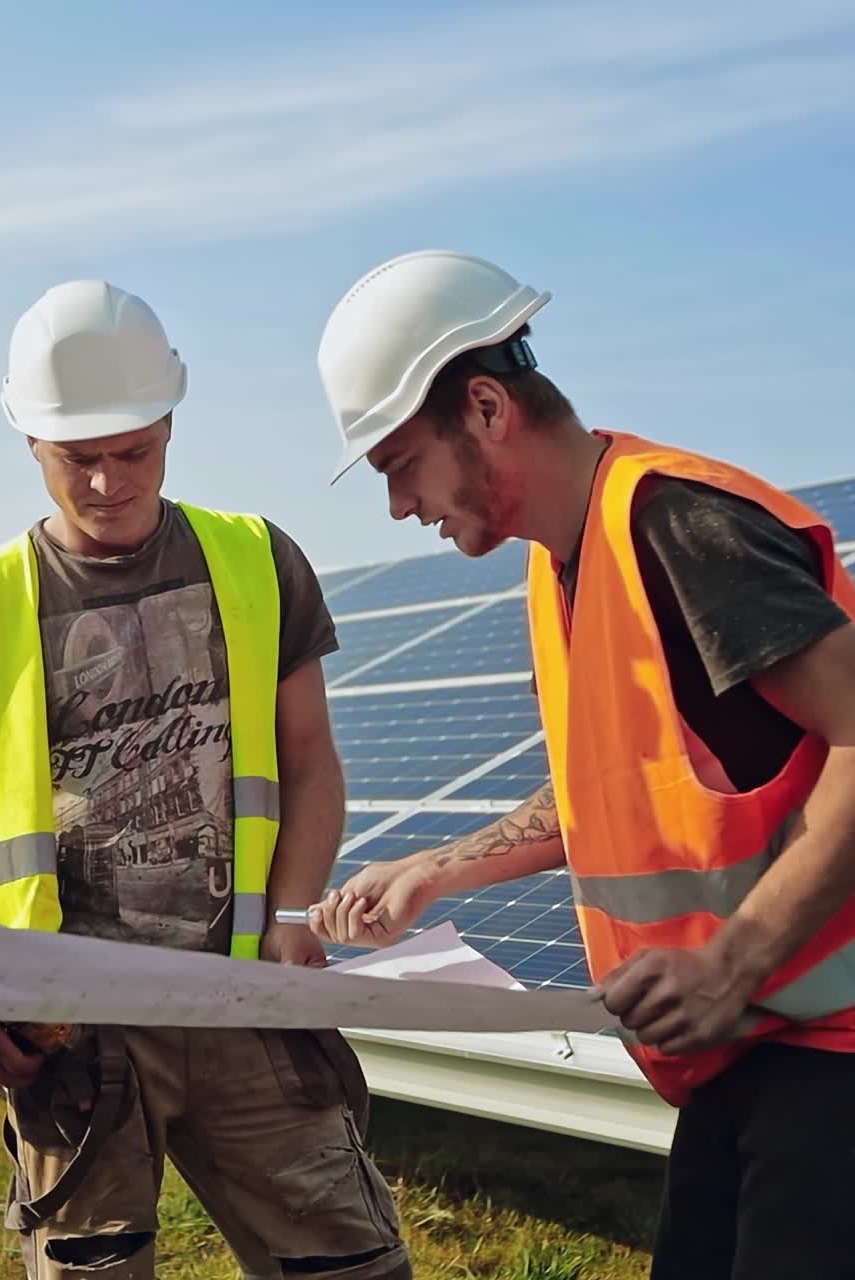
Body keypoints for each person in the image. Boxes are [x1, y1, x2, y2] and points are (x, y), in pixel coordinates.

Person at [309, 249, 855, 1279]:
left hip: (825, 1048)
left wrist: (727, 960)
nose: (394, 506)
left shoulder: (678, 525)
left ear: (482, 407)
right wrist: (437, 867)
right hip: (743, 1047)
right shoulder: (562, 562)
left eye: (395, 465)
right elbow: (615, 784)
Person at [0, 279, 412, 1280]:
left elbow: (309, 759)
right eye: (77, 458)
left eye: (134, 451)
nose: (108, 482)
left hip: (242, 1002)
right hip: (72, 1035)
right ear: (28, 440)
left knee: (351, 1265)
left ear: (169, 422)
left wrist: (292, 910)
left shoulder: (255, 560)